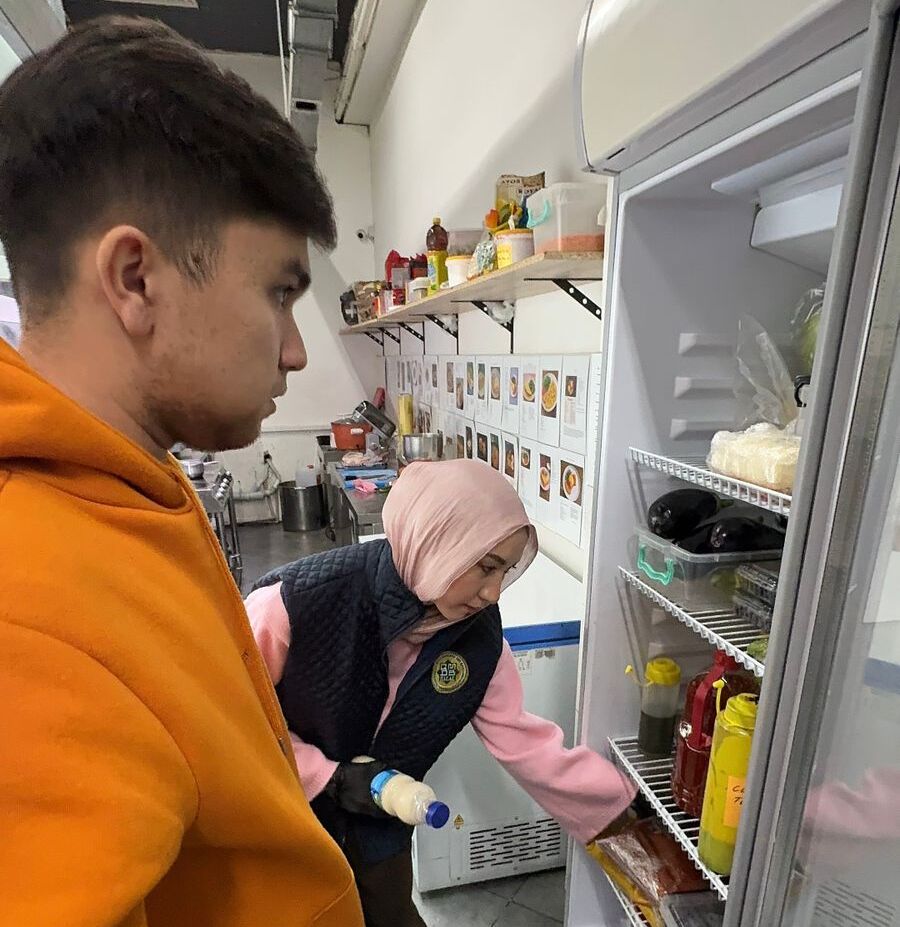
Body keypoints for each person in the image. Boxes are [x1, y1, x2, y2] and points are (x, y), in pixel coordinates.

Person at [0, 16, 362, 927]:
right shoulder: (28, 610)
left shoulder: (128, 488)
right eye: (279, 292)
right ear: (135, 278)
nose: (293, 351)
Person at [246, 459, 638, 927]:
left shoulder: (478, 642)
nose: (493, 593)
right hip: (286, 820)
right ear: (436, 542)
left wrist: (624, 813)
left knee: (391, 914)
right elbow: (233, 720)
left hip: (381, 828)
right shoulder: (295, 604)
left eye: (505, 572)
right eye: (485, 568)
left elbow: (528, 745)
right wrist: (326, 777)